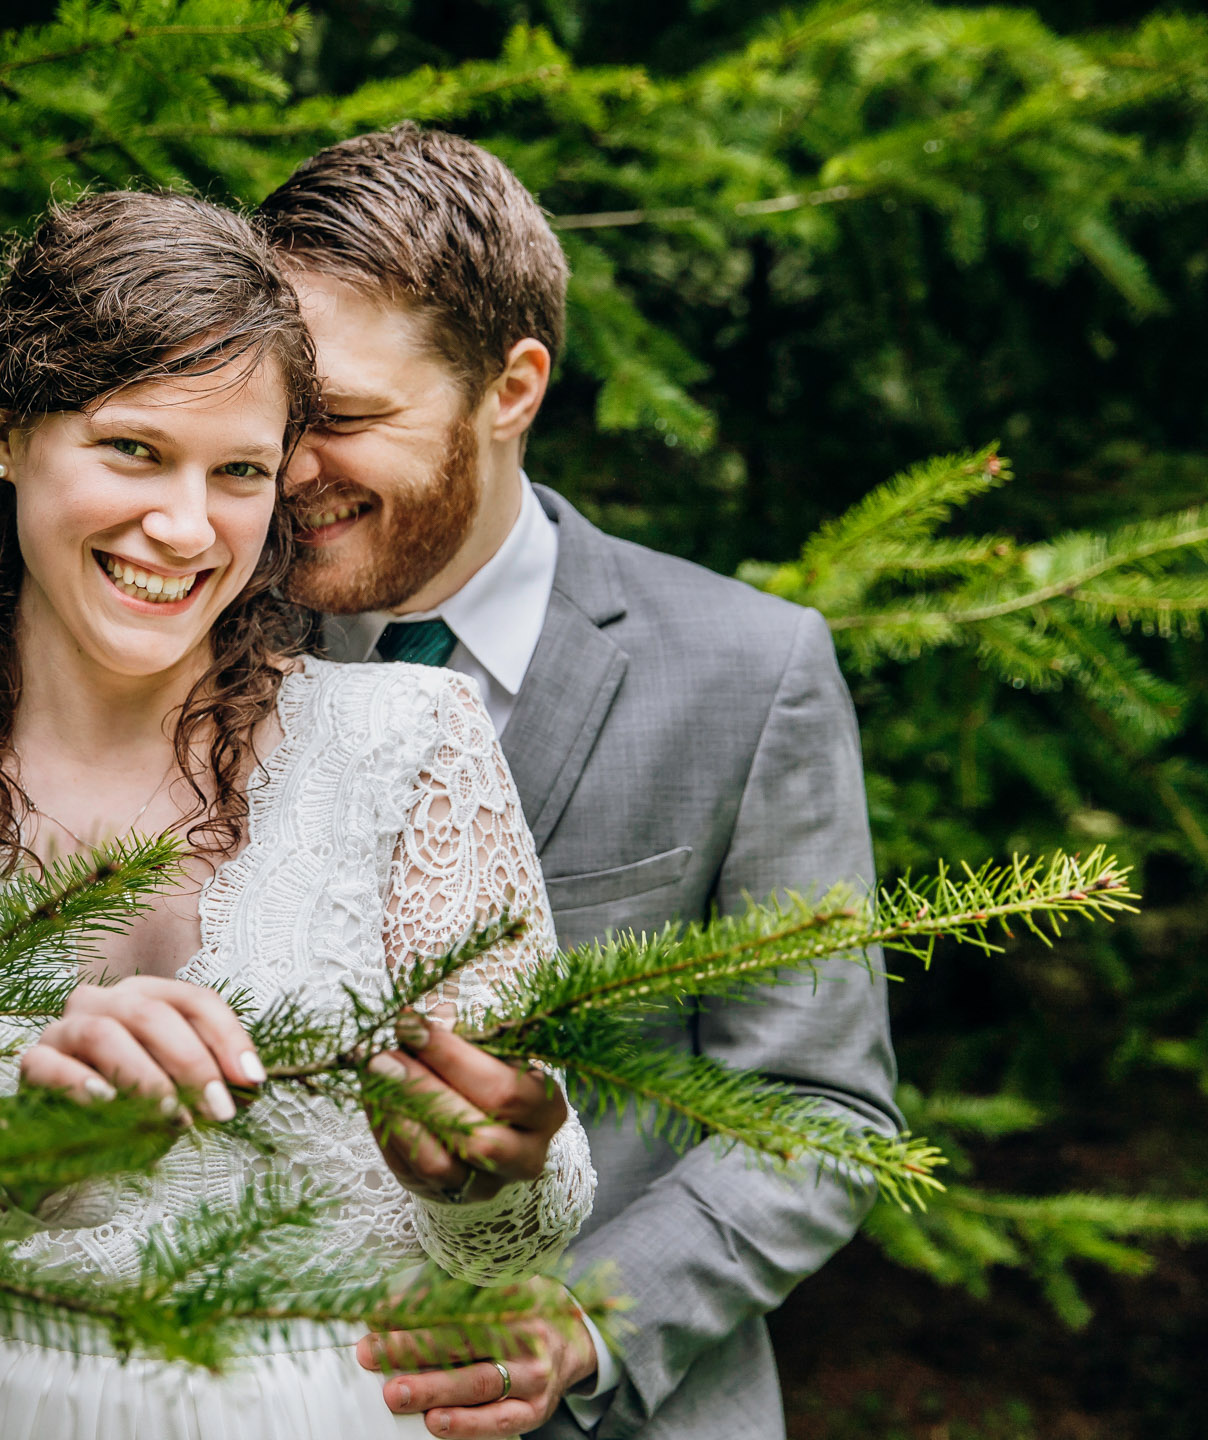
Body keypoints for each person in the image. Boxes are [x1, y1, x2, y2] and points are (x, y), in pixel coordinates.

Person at [0, 189, 594, 1440]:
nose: (185, 524)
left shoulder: (410, 744)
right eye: (133, 450)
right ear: (5, 434)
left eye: (241, 472)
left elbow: (515, 1236)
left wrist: (505, 1168)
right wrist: (17, 1147)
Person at [251, 125, 902, 1439]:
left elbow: (821, 1112)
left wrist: (590, 1320)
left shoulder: (750, 669)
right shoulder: (205, 651)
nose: (290, 470)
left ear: (513, 386)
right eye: (277, 414)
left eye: (349, 420)